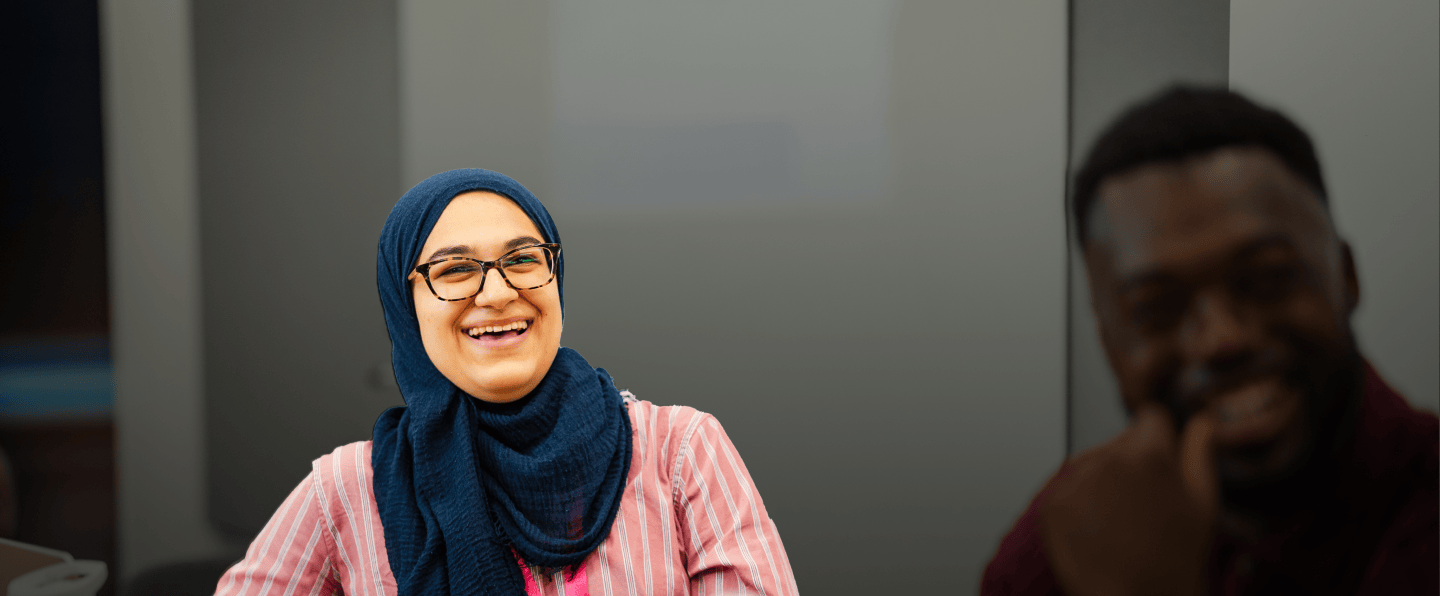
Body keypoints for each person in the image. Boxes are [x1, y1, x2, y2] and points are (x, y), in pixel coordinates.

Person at [215, 169, 799, 596]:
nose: (497, 293)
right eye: (454, 270)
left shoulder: (679, 451)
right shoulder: (349, 488)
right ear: (404, 305)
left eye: (523, 259)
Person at [981, 86, 1438, 595]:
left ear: (1347, 278)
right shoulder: (1077, 531)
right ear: (1109, 342)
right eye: (1156, 309)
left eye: (1268, 279)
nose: (1222, 340)